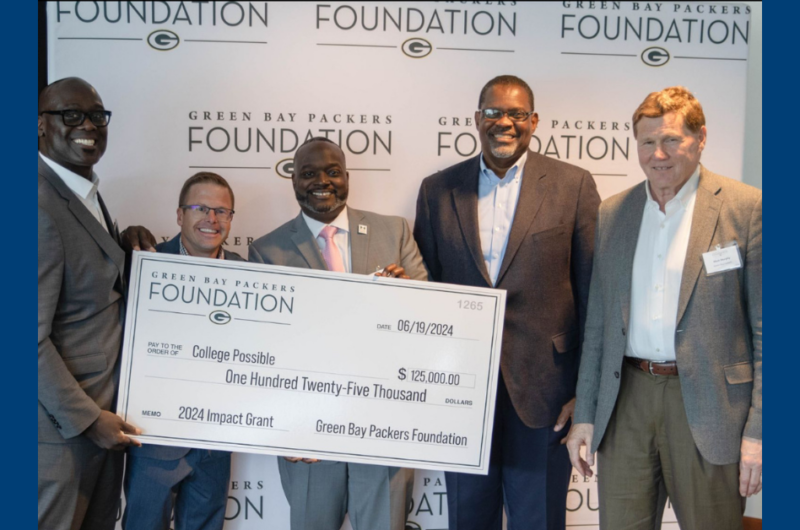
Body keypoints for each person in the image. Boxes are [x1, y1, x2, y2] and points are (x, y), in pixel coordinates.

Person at [566, 86, 762, 530]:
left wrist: (758, 433)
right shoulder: (615, 212)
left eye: (671, 139)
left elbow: (769, 332)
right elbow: (598, 325)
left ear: (701, 138)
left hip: (712, 407)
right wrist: (585, 417)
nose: (658, 154)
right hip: (627, 401)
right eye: (647, 141)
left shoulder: (745, 207)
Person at [414, 75, 601, 530]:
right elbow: (425, 294)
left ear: (534, 121)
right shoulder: (437, 190)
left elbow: (595, 293)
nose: (505, 123)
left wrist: (585, 393)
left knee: (538, 519)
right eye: (493, 112)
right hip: (459, 393)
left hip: (547, 391)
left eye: (517, 114)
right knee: (468, 517)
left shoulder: (573, 185)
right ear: (477, 119)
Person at [249, 137, 427, 530]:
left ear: (347, 177)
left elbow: (429, 323)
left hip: (384, 425)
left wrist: (409, 297)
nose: (321, 181)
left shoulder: (393, 231)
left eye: (332, 172)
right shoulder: (267, 251)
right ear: (293, 179)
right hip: (308, 433)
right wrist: (285, 426)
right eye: (309, 173)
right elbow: (264, 350)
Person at [38, 77, 155, 530]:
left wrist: (123, 244)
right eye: (71, 115)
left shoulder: (83, 191)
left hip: (104, 431)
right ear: (40, 126)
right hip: (61, 438)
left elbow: (87, 282)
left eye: (96, 115)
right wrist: (87, 421)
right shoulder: (37, 204)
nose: (87, 124)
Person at [123, 172, 243, 530]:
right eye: (200, 208)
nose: (212, 219)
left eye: (222, 211)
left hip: (215, 444)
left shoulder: (249, 273)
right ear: (179, 215)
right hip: (153, 442)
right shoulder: (145, 263)